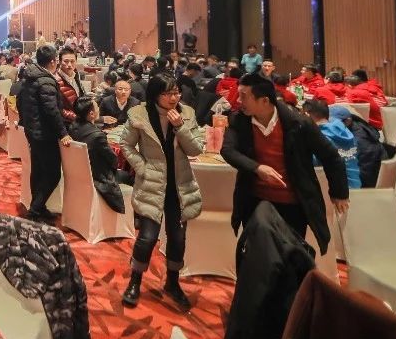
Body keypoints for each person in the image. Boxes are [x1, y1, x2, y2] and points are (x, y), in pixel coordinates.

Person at [221, 73, 350, 252]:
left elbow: (331, 157)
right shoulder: (239, 120)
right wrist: (257, 168)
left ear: (264, 101)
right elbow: (228, 150)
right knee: (256, 254)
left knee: (291, 255)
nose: (238, 100)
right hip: (254, 200)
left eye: (243, 96)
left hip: (292, 202)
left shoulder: (299, 123)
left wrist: (339, 192)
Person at [119, 74, 207, 311]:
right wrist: (142, 167)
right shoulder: (139, 114)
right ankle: (135, 281)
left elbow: (196, 149)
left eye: (176, 92)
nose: (173, 98)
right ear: (155, 95)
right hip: (152, 183)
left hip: (179, 185)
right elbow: (126, 144)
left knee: (177, 238)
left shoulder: (186, 113)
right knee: (147, 237)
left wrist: (180, 127)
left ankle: (173, 283)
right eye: (167, 93)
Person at [16, 45, 76, 222]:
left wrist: (25, 122)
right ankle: (35, 210)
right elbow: (52, 111)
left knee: (38, 170)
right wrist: (63, 133)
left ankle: (39, 207)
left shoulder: (30, 76)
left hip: (33, 131)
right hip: (44, 133)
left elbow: (19, 101)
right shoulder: (46, 81)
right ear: (53, 62)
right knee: (52, 174)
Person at [69, 96, 125, 214]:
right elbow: (113, 161)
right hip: (98, 177)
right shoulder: (97, 136)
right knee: (132, 176)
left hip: (78, 172)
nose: (99, 109)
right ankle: (134, 216)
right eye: (97, 107)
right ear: (91, 114)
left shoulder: (73, 126)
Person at [303, 99, 361, 189]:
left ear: (307, 115)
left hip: (336, 193)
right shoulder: (346, 131)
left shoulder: (318, 138)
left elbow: (306, 164)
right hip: (357, 189)